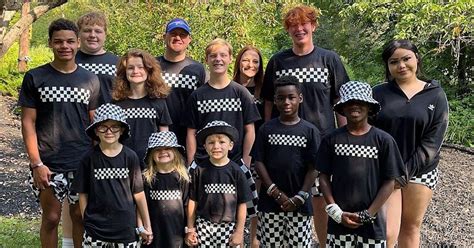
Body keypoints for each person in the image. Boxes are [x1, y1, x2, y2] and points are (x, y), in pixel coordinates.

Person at [260, 5, 350, 245]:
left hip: (322, 140)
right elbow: (269, 99)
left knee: (320, 198)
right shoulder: (279, 61)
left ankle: (321, 243)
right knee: (286, 196)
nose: (299, 29)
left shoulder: (329, 59)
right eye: (293, 25)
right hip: (285, 142)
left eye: (304, 24)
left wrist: (345, 136)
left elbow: (339, 101)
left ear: (313, 26)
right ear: (288, 30)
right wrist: (267, 134)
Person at [18, 18, 100, 247]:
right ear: (50, 44)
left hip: (82, 161)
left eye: (70, 41)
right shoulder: (35, 77)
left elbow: (94, 123)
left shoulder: (90, 79)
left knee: (79, 217)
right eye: (59, 42)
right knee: (52, 218)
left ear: (78, 43)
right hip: (48, 161)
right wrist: (36, 163)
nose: (65, 46)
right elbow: (27, 122)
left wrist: (97, 158)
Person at [372, 40, 449, 248]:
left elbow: (432, 142)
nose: (401, 65)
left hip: (422, 170)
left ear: (417, 58)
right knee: (387, 233)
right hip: (386, 171)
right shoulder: (378, 94)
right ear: (388, 66)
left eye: (406, 59)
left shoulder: (436, 95)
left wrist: (405, 172)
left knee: (411, 227)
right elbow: (368, 132)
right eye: (394, 61)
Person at [317, 81, 405, 247]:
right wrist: (335, 211)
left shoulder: (384, 141)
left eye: (360, 102)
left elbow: (390, 181)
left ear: (369, 107)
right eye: (349, 102)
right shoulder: (331, 140)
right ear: (342, 108)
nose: (354, 106)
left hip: (373, 223)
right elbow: (323, 176)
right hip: (339, 222)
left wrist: (368, 214)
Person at [185, 38, 260, 218]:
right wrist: (191, 162)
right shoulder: (197, 95)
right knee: (202, 208)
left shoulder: (240, 93)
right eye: (213, 55)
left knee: (238, 211)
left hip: (234, 162)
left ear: (230, 59)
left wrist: (246, 161)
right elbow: (191, 132)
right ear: (207, 60)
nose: (218, 59)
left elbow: (250, 130)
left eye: (223, 55)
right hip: (204, 162)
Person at [253, 75, 320, 247]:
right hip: (270, 203)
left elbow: (314, 167)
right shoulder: (266, 129)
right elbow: (258, 162)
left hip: (300, 204)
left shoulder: (310, 131)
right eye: (281, 98)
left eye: (291, 97)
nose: (287, 102)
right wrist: (274, 192)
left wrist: (301, 196)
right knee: (271, 244)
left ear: (300, 98)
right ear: (275, 101)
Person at [73, 103, 153, 247]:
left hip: (125, 229)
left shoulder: (130, 157)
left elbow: (139, 193)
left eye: (114, 127)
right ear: (96, 131)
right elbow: (82, 193)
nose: (109, 131)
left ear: (122, 130)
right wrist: (87, 219)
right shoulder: (88, 159)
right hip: (96, 230)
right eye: (103, 127)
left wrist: (147, 225)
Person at [185, 121, 253, 247]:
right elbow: (193, 201)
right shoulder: (199, 170)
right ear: (205, 146)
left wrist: (239, 232)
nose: (216, 146)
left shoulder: (237, 171)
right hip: (203, 228)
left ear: (231, 145)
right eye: (211, 142)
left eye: (222, 142)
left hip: (229, 228)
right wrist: (190, 229)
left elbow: (242, 204)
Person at [113, 49, 173, 170]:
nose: (136, 71)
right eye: (130, 68)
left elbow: (164, 136)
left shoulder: (159, 102)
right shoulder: (117, 104)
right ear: (124, 72)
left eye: (141, 67)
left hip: (151, 165)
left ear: (149, 70)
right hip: (123, 164)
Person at [232, 45, 264, 247]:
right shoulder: (230, 87)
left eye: (255, 61)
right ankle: (235, 239)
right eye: (246, 60)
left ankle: (254, 241)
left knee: (255, 201)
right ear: (238, 62)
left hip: (258, 154)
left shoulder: (264, 90)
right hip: (232, 153)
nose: (250, 65)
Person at [157, 18, 207, 147]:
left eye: (183, 35)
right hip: (158, 137)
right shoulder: (152, 66)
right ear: (164, 37)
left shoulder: (198, 69)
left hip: (188, 136)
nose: (178, 38)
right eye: (173, 34)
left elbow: (204, 103)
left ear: (189, 39)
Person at [141, 131, 189, 247]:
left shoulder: (183, 177)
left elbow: (187, 205)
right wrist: (142, 228)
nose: (163, 152)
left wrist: (190, 229)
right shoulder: (147, 178)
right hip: (154, 234)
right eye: (157, 149)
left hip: (176, 234)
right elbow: (141, 205)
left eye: (167, 148)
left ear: (175, 152)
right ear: (151, 154)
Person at [76, 11, 119, 104]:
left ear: (105, 35)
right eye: (87, 30)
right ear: (78, 34)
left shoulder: (117, 63)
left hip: (109, 117)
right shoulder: (70, 62)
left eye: (98, 31)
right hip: (76, 118)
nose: (92, 35)